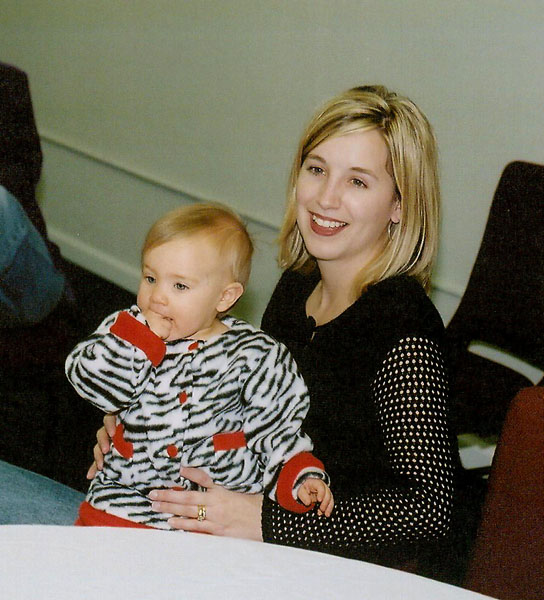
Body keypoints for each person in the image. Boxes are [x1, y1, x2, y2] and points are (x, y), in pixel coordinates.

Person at [91, 84, 457, 571]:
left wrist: (267, 521)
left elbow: (429, 511)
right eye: (317, 169)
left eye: (357, 182)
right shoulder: (296, 288)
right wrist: (145, 425)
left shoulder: (405, 333)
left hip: (340, 573)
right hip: (246, 546)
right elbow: (252, 412)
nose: (326, 198)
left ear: (398, 206)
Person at [66, 203, 333, 529]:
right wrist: (140, 342)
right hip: (119, 509)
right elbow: (90, 379)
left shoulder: (256, 356)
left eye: (179, 286)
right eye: (150, 278)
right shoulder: (128, 329)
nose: (157, 296)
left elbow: (276, 429)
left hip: (204, 527)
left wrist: (299, 476)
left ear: (225, 297)